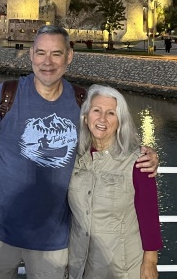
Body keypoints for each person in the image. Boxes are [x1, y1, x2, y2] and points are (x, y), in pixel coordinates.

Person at [0, 25, 159, 279]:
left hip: (54, 242)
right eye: (41, 53)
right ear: (31, 55)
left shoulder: (81, 103)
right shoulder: (5, 96)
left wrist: (144, 153)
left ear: (69, 56)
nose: (47, 62)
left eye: (56, 54)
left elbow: (106, 140)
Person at [68, 84, 163, 279]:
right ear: (86, 118)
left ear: (120, 121)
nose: (102, 119)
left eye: (111, 113)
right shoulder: (73, 158)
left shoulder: (137, 161)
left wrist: (150, 261)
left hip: (121, 267)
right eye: (96, 111)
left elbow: (149, 213)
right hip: (79, 263)